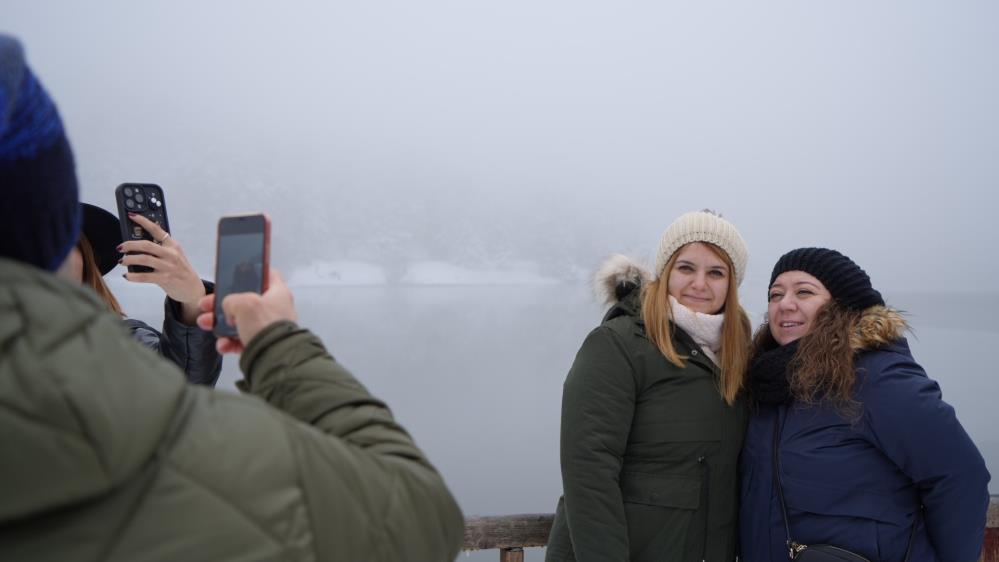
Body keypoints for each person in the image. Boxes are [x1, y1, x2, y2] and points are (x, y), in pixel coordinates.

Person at [0, 35, 464, 561]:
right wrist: (278, 344)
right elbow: (416, 518)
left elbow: (175, 387)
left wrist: (187, 301)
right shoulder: (201, 460)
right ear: (55, 240)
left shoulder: (120, 342)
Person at [740, 247, 991, 562]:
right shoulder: (765, 386)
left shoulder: (876, 377)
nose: (784, 304)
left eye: (804, 292)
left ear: (842, 306)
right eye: (775, 295)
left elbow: (960, 476)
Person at [546, 210, 753, 562]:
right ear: (666, 271)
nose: (699, 284)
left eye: (716, 272)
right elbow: (589, 471)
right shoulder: (619, 345)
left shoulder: (737, 356)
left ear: (731, 284)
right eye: (686, 268)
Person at [66, 202, 222, 386]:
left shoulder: (121, 346)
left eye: (57, 240)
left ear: (85, 259)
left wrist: (193, 303)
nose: (41, 254)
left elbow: (179, 391)